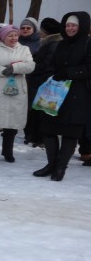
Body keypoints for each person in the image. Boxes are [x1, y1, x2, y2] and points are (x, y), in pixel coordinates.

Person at [33, 12, 91, 181]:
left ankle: (61, 168)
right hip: (56, 93)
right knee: (48, 128)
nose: (70, 28)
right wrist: (52, 74)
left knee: (70, 132)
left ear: (82, 26)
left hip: (78, 95)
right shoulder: (60, 44)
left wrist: (69, 72)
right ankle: (51, 164)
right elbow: (50, 64)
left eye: (74, 25)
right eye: (67, 25)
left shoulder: (88, 44)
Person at [0, 24, 35, 163]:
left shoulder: (24, 49)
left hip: (17, 91)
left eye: (16, 35)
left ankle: (7, 152)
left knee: (12, 124)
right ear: (3, 37)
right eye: (10, 35)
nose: (14, 38)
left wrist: (14, 67)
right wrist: (3, 71)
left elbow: (30, 66)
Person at [24, 17, 62, 147]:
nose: (40, 31)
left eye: (41, 29)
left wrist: (32, 67)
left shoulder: (53, 44)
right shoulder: (48, 42)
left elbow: (47, 64)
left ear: (47, 31)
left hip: (42, 81)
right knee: (35, 110)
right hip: (39, 80)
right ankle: (33, 136)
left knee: (39, 111)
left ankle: (38, 138)